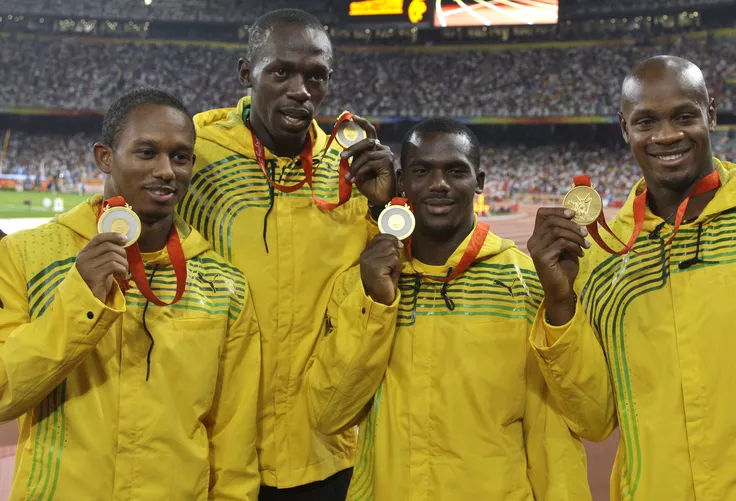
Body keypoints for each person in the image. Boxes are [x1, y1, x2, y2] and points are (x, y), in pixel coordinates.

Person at [528, 55, 736, 500]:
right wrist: (560, 303)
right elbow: (594, 419)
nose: (667, 135)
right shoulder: (602, 261)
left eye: (684, 116)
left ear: (711, 114)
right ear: (624, 128)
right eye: (647, 121)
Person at [304, 118, 592, 501]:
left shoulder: (527, 283)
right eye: (423, 171)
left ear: (480, 182)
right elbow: (328, 414)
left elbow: (575, 426)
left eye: (455, 170)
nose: (439, 183)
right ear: (403, 180)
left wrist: (559, 304)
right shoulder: (364, 283)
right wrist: (376, 306)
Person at [176, 8, 395, 500]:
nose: (300, 89)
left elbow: (386, 282)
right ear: (245, 73)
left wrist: (386, 205)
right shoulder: (196, 154)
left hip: (325, 449)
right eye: (281, 72)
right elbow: (120, 222)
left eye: (315, 76)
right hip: (218, 451)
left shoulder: (351, 167)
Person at [0, 88, 261, 501]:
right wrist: (82, 299)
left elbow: (234, 436)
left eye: (179, 157)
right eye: (146, 152)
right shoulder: (27, 257)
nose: (165, 170)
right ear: (105, 157)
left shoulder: (224, 284)